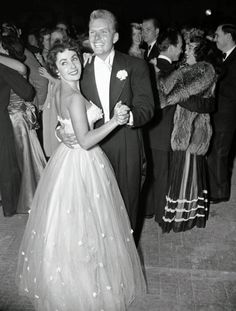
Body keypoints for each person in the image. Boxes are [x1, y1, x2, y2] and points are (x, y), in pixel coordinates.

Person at [16, 39, 146, 311]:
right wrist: (114, 121)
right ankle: (85, 287)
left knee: (75, 227)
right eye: (64, 63)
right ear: (56, 69)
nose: (72, 65)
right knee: (89, 227)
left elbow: (65, 126)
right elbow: (85, 141)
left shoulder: (64, 88)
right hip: (83, 160)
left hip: (68, 159)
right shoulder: (74, 96)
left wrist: (61, 133)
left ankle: (72, 279)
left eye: (74, 59)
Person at [58, 9, 154, 233]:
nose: (97, 37)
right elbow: (70, 105)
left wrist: (127, 116)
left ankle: (125, 257)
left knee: (126, 207)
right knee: (94, 211)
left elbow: (147, 108)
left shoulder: (136, 66)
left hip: (126, 145)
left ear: (116, 37)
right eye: (93, 32)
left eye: (104, 32)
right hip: (91, 151)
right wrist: (60, 130)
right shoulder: (80, 68)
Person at [157, 33, 217, 232]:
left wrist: (170, 98)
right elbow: (164, 87)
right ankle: (177, 217)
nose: (185, 51)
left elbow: (196, 100)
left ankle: (184, 219)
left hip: (194, 130)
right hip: (182, 128)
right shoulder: (185, 69)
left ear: (200, 51)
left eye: (191, 48)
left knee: (188, 174)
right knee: (180, 172)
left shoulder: (206, 70)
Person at [1, 34, 47, 213]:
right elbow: (27, 90)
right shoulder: (10, 67)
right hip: (16, 117)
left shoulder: (12, 65)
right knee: (26, 159)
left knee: (25, 159)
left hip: (19, 115)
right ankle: (29, 197)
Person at [207, 24, 236, 203]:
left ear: (228, 36)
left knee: (219, 152)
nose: (215, 39)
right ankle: (215, 188)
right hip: (219, 113)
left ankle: (219, 193)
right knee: (215, 152)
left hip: (227, 115)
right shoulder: (223, 57)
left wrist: (214, 86)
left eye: (218, 35)